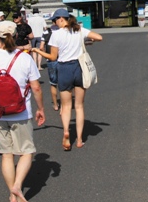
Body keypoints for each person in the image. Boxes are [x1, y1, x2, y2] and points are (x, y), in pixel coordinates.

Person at [0, 20, 45, 202]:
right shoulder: (25, 58)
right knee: (26, 151)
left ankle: (12, 194)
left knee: (6, 154)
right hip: (21, 112)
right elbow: (36, 88)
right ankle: (17, 185)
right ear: (16, 36)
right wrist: (41, 109)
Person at [34, 8, 102, 150]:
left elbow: (53, 57)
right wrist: (87, 41)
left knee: (65, 106)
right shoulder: (78, 30)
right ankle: (79, 139)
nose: (55, 23)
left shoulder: (56, 35)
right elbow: (99, 37)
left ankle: (66, 131)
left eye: (55, 20)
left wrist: (38, 51)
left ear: (61, 19)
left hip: (64, 69)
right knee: (79, 106)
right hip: (79, 67)